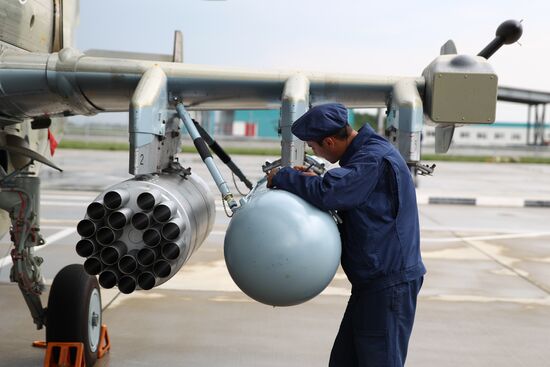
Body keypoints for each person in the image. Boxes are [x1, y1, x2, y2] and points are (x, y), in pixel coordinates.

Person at [266, 103, 425, 367]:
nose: (313, 152)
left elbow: (332, 192)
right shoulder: (364, 154)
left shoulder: (372, 157)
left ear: (328, 141)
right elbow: (343, 187)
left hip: (387, 284)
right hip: (373, 282)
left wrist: (284, 178)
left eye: (313, 147)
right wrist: (310, 180)